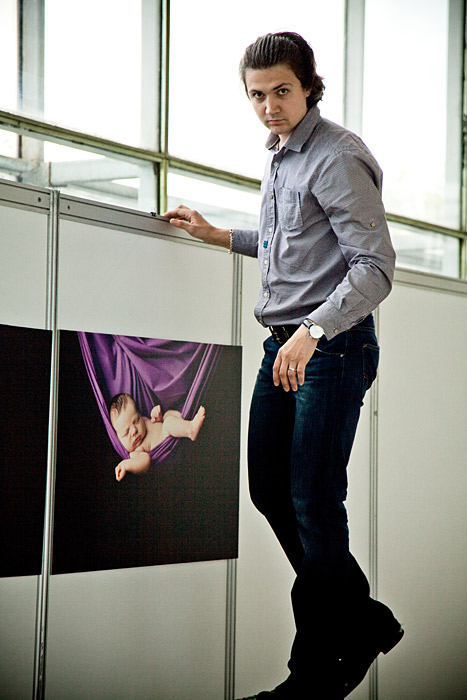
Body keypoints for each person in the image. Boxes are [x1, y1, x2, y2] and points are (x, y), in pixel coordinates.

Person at [164, 31, 403, 699]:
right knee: (270, 490)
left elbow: (375, 268)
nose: (268, 106)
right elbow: (287, 245)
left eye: (281, 91)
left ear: (308, 87)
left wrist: (312, 331)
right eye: (256, 95)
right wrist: (219, 234)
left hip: (330, 348)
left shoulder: (336, 156)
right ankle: (360, 621)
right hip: (284, 346)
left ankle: (314, 675)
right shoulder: (281, 156)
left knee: (313, 502)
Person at [109, 393, 206, 481]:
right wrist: (125, 465)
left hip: (173, 432)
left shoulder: (144, 420)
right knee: (168, 423)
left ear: (139, 414)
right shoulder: (136, 451)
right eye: (126, 432)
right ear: (117, 439)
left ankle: (186, 421)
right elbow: (145, 462)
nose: (134, 430)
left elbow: (158, 424)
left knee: (167, 415)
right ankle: (190, 430)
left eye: (136, 420)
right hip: (168, 446)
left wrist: (158, 418)